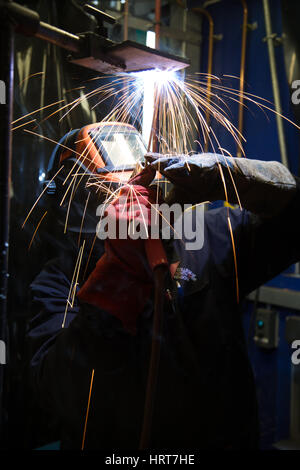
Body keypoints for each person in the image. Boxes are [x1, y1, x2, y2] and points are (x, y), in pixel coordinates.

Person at [27, 151, 300, 450]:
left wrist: (238, 178)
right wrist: (116, 278)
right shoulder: (59, 283)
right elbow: (58, 391)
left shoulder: (211, 236)